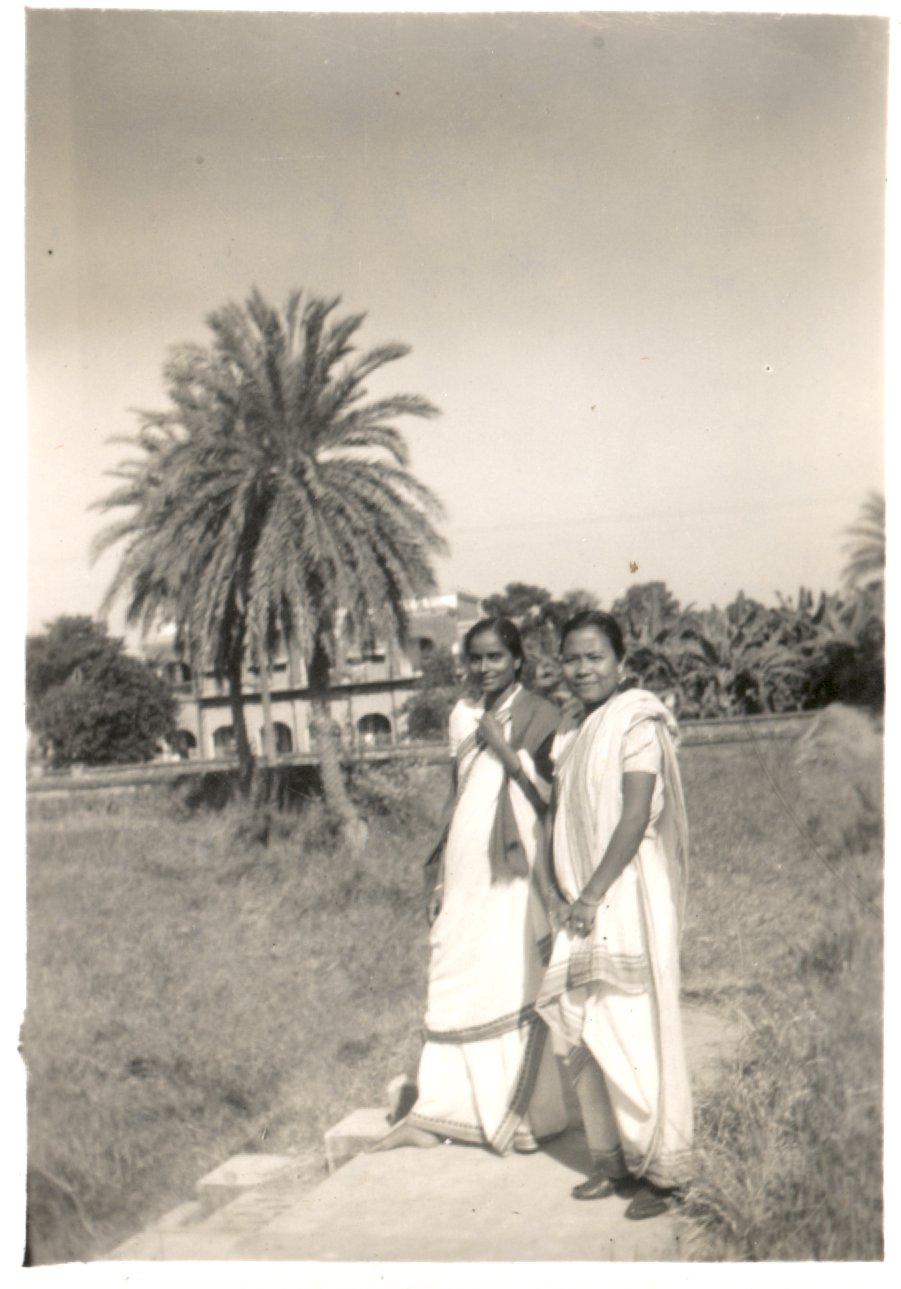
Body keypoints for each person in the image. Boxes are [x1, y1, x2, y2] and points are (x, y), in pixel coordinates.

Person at [373, 617, 568, 1155]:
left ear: (517, 660)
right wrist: (438, 872)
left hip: (511, 866)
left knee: (507, 975)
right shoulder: (461, 716)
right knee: (452, 971)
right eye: (476, 659)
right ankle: (438, 1111)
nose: (484, 668)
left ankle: (522, 1117)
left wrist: (507, 753)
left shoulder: (540, 714)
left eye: (495, 658)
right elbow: (456, 796)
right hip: (464, 864)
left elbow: (553, 796)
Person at [536, 610, 692, 1220]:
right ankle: (611, 1160)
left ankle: (661, 1167)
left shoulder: (638, 722)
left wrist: (591, 894)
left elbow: (633, 817)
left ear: (619, 661)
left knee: (629, 1028)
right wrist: (561, 891)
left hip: (621, 893)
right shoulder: (574, 734)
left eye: (594, 656)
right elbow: (558, 819)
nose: (582, 669)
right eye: (571, 658)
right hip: (579, 900)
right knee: (579, 1028)